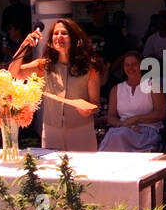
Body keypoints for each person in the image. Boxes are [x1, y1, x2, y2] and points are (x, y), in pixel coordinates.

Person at [10, 19, 103, 152]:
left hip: (81, 131)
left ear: (74, 38)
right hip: (51, 131)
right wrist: (24, 46)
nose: (59, 36)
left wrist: (89, 109)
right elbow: (14, 72)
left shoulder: (89, 67)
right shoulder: (44, 65)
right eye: (55, 33)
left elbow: (95, 102)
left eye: (64, 33)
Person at [99, 52, 166, 152]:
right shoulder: (116, 89)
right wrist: (121, 124)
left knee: (118, 135)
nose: (130, 67)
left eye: (134, 64)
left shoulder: (153, 86)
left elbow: (161, 113)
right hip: (122, 128)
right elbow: (111, 116)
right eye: (127, 64)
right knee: (115, 134)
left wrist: (136, 119)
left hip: (146, 131)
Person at [81, 0, 125, 66]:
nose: (92, 14)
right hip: (88, 69)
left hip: (108, 69)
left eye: (96, 11)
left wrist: (111, 69)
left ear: (104, 11)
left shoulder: (114, 31)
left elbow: (123, 54)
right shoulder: (83, 29)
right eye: (89, 11)